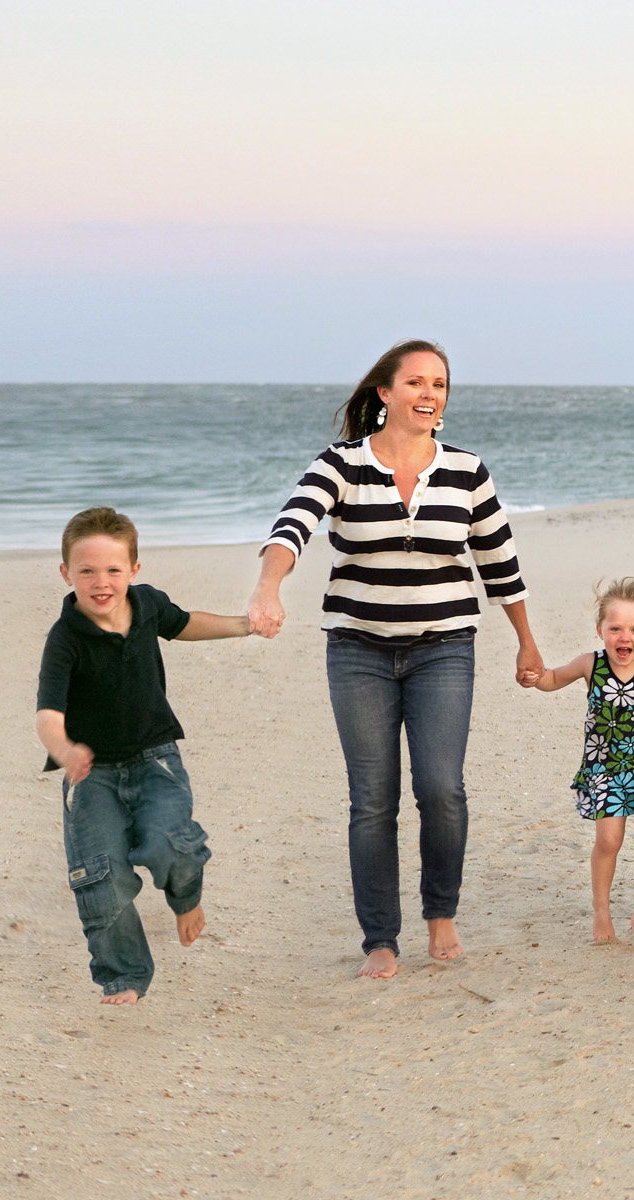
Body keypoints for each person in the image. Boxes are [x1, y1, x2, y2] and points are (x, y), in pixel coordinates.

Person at [249, 339, 545, 981]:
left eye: (438, 384)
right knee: (372, 800)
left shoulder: (467, 470)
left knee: (441, 788)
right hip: (358, 651)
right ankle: (380, 939)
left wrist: (525, 639)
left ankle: (441, 915)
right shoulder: (342, 464)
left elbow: (500, 563)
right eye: (415, 382)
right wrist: (269, 586)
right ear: (385, 393)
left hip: (444, 650)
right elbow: (292, 524)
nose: (428, 394)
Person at [35, 507, 259, 1004]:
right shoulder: (65, 638)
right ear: (66, 573)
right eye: (86, 570)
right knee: (101, 877)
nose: (100, 582)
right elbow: (47, 715)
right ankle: (125, 974)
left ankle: (185, 895)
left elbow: (187, 624)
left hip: (155, 759)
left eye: (113, 570)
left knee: (171, 846)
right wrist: (66, 750)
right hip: (91, 776)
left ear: (134, 570)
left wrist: (245, 624)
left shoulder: (148, 605)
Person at [530, 578, 634, 941]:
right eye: (616, 629)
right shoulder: (590, 664)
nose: (625, 637)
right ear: (600, 630)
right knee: (609, 840)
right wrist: (534, 677)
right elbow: (553, 678)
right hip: (605, 765)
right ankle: (601, 909)